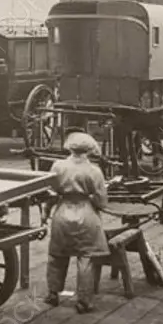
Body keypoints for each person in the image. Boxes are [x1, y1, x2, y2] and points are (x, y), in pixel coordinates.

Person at [45, 131, 110, 313]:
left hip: (62, 211)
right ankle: (83, 301)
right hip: (85, 212)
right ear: (89, 149)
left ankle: (52, 294)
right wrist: (96, 203)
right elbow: (101, 201)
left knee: (57, 256)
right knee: (86, 258)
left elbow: (50, 193)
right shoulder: (94, 171)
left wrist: (46, 212)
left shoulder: (58, 166)